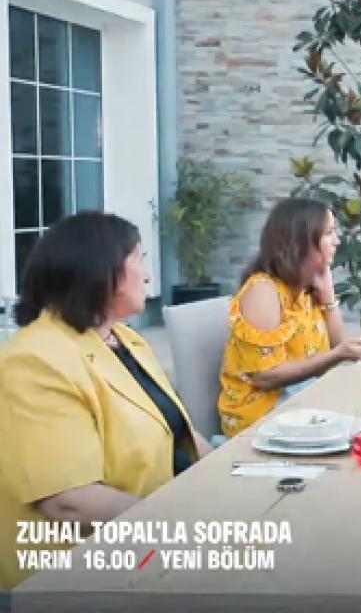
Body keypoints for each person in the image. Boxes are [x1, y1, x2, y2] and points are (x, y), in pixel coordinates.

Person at [0, 212, 211, 591]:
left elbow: (177, 432)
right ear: (102, 272)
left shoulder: (124, 340)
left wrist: (233, 475)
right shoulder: (35, 362)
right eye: (139, 259)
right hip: (80, 572)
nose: (148, 275)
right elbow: (69, 502)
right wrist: (182, 533)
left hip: (150, 538)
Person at [218, 198, 361, 437]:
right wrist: (337, 354)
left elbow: (338, 344)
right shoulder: (264, 291)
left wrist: (328, 297)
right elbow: (265, 377)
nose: (337, 241)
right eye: (329, 233)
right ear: (301, 242)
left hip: (302, 402)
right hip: (262, 417)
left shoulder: (305, 288)